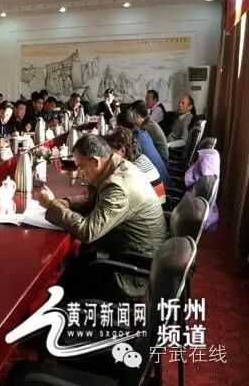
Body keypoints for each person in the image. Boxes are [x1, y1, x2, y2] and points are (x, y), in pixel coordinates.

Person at [39, 134, 167, 301]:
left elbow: (88, 231)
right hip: (130, 252)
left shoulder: (118, 186)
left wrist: (52, 205)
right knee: (75, 264)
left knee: (69, 278)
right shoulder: (118, 165)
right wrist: (65, 203)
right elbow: (94, 201)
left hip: (134, 271)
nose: (80, 173)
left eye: (81, 167)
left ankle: (63, 311)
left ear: (95, 161)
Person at [105, 128, 166, 204]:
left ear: (122, 150)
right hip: (160, 203)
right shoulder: (142, 158)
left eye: (110, 152)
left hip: (153, 207)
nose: (109, 156)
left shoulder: (131, 169)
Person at [116, 110, 170, 184]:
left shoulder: (133, 141)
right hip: (163, 180)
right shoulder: (143, 133)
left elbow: (122, 161)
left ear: (121, 127)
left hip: (159, 186)